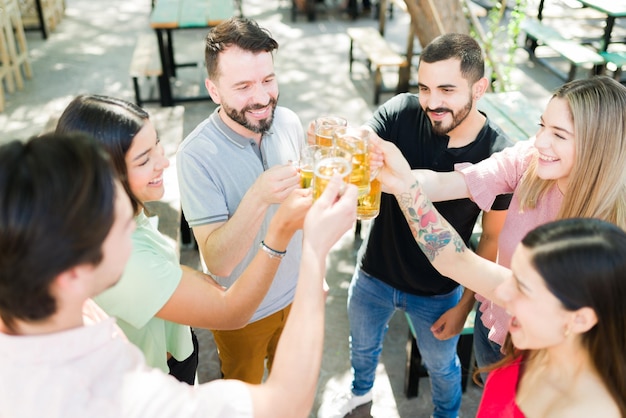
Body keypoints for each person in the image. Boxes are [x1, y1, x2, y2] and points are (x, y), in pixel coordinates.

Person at [0, 132, 359, 418]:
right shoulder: (120, 398)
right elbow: (285, 404)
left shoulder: (57, 309)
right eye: (119, 225)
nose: (132, 221)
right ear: (72, 273)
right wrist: (314, 252)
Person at [317, 33, 514, 418]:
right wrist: (338, 138)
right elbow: (361, 140)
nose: (432, 101)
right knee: (362, 348)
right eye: (425, 87)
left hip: (438, 292)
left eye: (446, 89)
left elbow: (492, 241)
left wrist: (464, 310)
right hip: (374, 272)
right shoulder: (403, 111)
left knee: (442, 368)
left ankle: (446, 413)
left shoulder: (498, 155)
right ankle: (359, 393)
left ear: (480, 88)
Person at [379, 75, 626, 375]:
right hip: (494, 326)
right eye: (542, 125)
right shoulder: (531, 161)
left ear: (599, 147)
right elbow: (446, 184)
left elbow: (454, 260)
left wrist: (404, 187)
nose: (540, 141)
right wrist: (396, 175)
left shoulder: (605, 239)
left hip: (547, 367)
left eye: (559, 135)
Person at [55, 94, 310, 384]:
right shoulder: (121, 262)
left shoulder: (111, 213)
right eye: (143, 160)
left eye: (157, 145)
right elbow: (233, 312)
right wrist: (280, 232)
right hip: (156, 380)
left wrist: (184, 279)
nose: (163, 162)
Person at [372, 139, 626, 416]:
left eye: (522, 287)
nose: (499, 294)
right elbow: (455, 259)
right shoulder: (519, 363)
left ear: (580, 318)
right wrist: (402, 186)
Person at [177, 17, 305, 383]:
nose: (262, 98)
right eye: (244, 86)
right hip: (240, 314)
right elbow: (217, 259)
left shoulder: (290, 123)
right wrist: (258, 196)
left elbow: (301, 213)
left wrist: (314, 274)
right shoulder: (195, 156)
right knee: (244, 401)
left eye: (268, 80)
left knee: (293, 392)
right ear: (213, 90)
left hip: (298, 299)